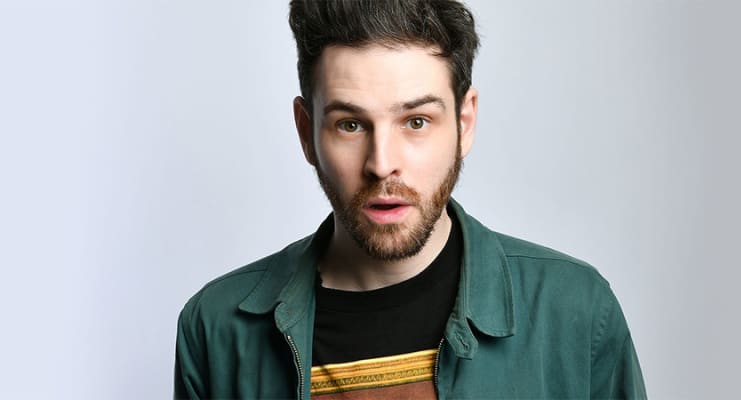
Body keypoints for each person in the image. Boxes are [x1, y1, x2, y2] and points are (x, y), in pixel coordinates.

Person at [174, 0, 647, 398]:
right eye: (350, 125)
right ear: (306, 133)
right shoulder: (216, 330)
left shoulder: (575, 312)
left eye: (416, 121)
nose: (382, 164)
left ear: (464, 123)